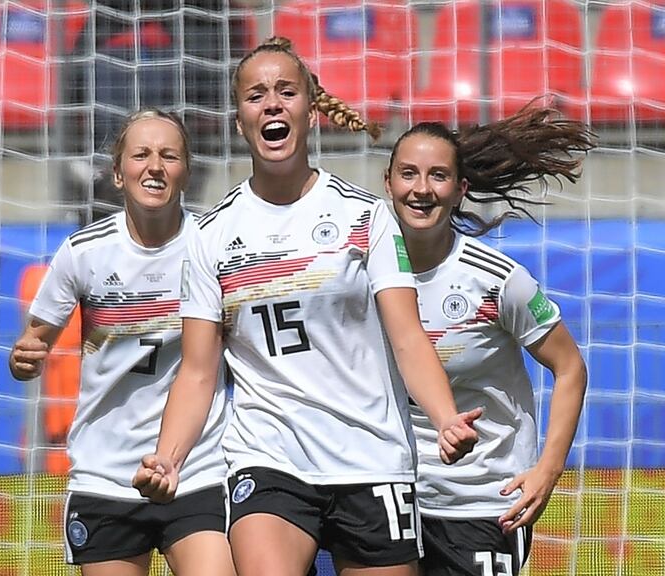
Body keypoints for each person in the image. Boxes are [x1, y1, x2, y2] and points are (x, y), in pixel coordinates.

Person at [133, 37, 481, 576]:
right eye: (256, 95)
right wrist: (168, 457)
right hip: (268, 456)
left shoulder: (366, 216)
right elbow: (199, 371)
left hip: (371, 456)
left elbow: (408, 337)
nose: (272, 103)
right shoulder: (211, 235)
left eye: (286, 92)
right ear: (240, 121)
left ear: (311, 111)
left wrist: (444, 418)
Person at [9, 109, 234, 576]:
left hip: (198, 469)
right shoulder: (84, 252)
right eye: (141, 155)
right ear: (117, 173)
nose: (155, 166)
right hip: (106, 473)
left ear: (186, 172)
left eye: (169, 156)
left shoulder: (214, 245)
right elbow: (32, 344)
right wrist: (24, 358)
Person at [383, 106, 592, 574]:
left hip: (482, 505)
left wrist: (547, 471)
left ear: (460, 190)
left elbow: (570, 368)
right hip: (390, 496)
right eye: (408, 174)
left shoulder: (496, 279)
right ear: (388, 182)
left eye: (438, 176)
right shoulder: (363, 273)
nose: (421, 189)